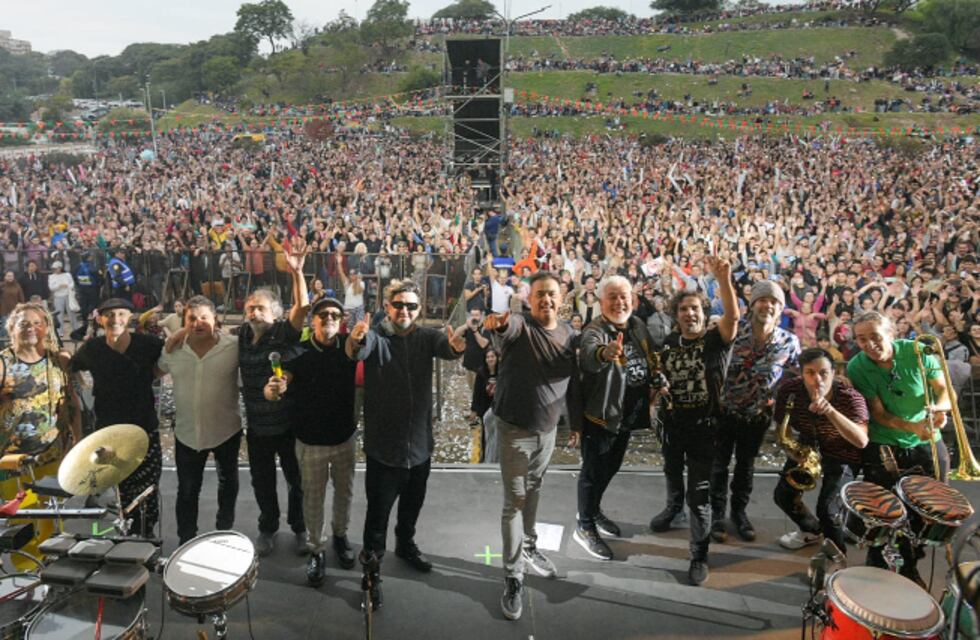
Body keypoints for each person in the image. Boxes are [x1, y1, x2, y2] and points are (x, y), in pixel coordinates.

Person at [346, 279, 465, 610]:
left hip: (420, 448)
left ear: (419, 310)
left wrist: (457, 347)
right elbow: (359, 348)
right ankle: (371, 572)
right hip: (384, 450)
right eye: (399, 305)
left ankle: (406, 544)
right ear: (388, 307)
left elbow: (447, 347)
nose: (405, 311)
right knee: (377, 515)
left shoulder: (426, 337)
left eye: (412, 306)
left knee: (412, 505)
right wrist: (354, 341)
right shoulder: (377, 337)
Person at [483, 271, 581, 621]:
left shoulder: (570, 334)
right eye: (540, 294)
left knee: (534, 488)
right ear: (530, 298)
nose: (546, 300)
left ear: (562, 297)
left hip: (548, 431)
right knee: (515, 500)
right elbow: (503, 328)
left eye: (552, 294)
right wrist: (499, 322)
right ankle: (513, 575)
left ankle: (529, 546)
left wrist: (577, 425)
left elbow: (576, 381)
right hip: (514, 431)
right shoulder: (520, 326)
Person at [649, 253, 738, 586]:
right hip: (674, 425)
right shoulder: (671, 343)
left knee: (699, 493)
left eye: (695, 309)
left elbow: (733, 316)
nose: (689, 313)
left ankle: (699, 555)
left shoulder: (716, 340)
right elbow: (662, 375)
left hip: (707, 429)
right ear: (676, 316)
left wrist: (724, 280)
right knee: (671, 471)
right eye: (683, 309)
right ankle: (674, 510)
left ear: (704, 313)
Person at [846, 310, 952, 585]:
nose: (870, 344)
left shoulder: (917, 352)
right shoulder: (858, 366)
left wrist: (939, 409)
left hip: (926, 438)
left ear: (892, 334)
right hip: (886, 442)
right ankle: (877, 558)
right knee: (883, 506)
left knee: (928, 507)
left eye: (875, 336)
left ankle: (910, 560)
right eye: (861, 339)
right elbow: (878, 414)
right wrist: (911, 427)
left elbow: (942, 391)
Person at [265, 297, 358, 587]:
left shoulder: (350, 347)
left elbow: (367, 347)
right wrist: (275, 388)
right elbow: (283, 380)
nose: (328, 318)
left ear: (341, 319)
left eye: (334, 314)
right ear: (312, 320)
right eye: (322, 314)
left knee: (345, 493)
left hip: (344, 438)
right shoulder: (299, 352)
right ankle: (317, 549)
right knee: (314, 498)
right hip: (310, 442)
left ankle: (340, 536)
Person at [575, 275, 662, 560]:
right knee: (592, 472)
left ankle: (593, 509)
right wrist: (604, 353)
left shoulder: (637, 325)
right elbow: (589, 354)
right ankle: (584, 524)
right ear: (601, 302)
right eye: (612, 296)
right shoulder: (595, 330)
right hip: (602, 416)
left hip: (628, 415)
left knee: (610, 468)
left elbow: (651, 356)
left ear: (633, 299)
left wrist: (657, 377)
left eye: (624, 295)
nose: (619, 301)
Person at [710, 281, 800, 543]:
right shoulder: (733, 333)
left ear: (781, 308)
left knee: (745, 468)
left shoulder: (789, 342)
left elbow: (796, 376)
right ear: (752, 304)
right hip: (724, 413)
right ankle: (717, 515)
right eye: (763, 300)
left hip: (758, 416)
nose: (768, 305)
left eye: (774, 302)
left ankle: (739, 514)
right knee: (718, 466)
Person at [238, 237, 311, 557]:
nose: (254, 312)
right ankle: (268, 528)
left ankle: (300, 528)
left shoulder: (283, 331)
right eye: (250, 308)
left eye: (261, 308)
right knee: (262, 483)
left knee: (297, 481)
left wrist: (296, 273)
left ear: (276, 312)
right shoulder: (240, 337)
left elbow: (304, 308)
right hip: (257, 428)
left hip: (288, 426)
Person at [70, 298, 164, 536]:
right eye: (109, 315)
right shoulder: (93, 349)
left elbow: (172, 355)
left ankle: (147, 529)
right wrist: (83, 394)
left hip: (144, 425)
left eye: (121, 314)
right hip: (110, 429)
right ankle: (129, 531)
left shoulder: (149, 344)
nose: (115, 320)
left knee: (149, 484)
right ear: (100, 319)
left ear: (130, 317)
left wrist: (158, 372)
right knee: (123, 485)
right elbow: (70, 366)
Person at [157, 296, 242, 545]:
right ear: (184, 322)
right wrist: (174, 337)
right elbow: (155, 371)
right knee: (186, 491)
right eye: (191, 319)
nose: (198, 323)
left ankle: (224, 530)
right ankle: (186, 539)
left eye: (204, 317)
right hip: (187, 433)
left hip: (226, 429)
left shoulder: (233, 346)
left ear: (215, 319)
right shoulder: (172, 351)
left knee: (228, 483)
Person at [772, 348, 869, 553]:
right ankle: (813, 530)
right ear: (801, 374)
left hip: (843, 450)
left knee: (827, 510)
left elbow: (861, 441)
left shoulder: (850, 397)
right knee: (783, 495)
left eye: (823, 372)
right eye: (810, 372)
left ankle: (836, 557)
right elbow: (783, 430)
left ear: (834, 373)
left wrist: (830, 411)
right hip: (809, 447)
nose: (817, 379)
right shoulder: (789, 391)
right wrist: (792, 453)